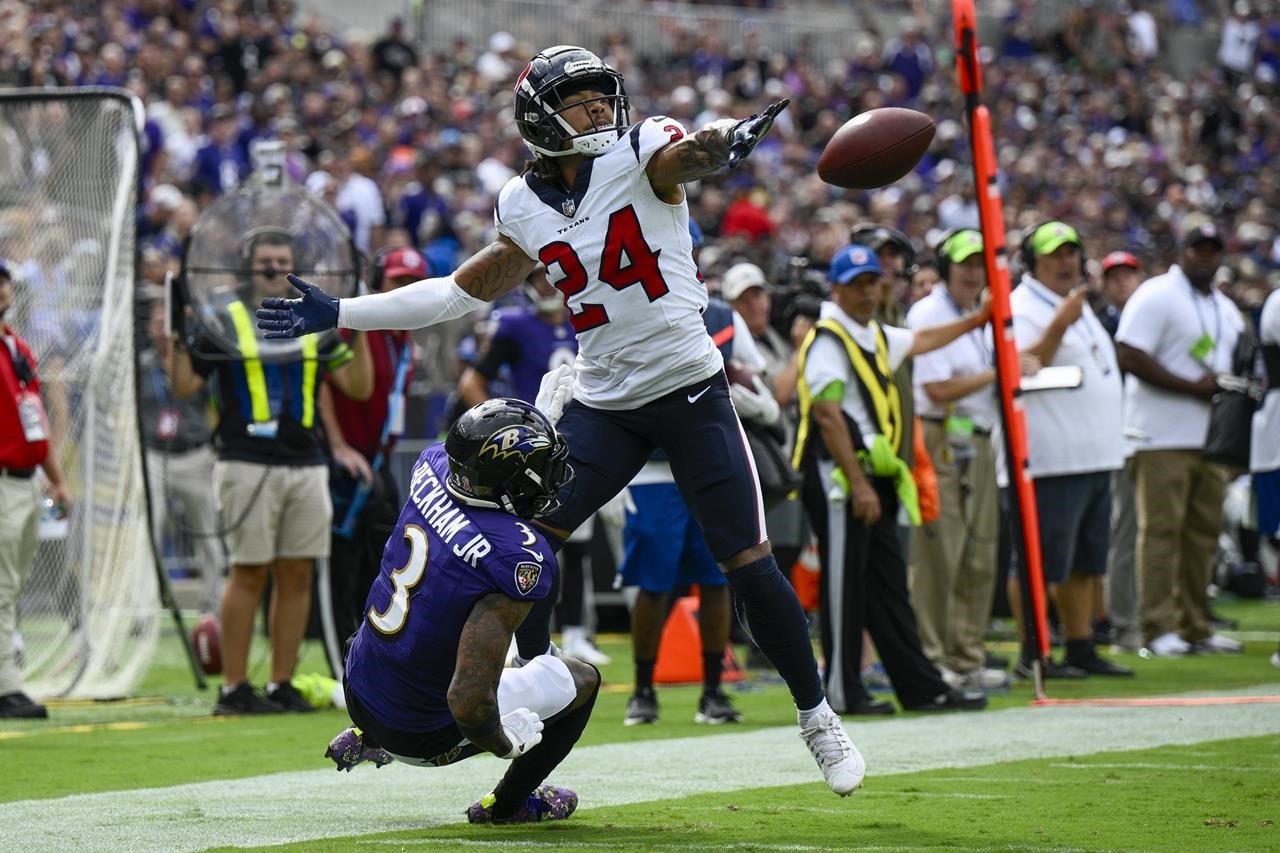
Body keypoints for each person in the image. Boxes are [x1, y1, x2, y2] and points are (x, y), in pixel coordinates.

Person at [257, 45, 864, 796]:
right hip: (605, 399)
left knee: (747, 559)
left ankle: (816, 714)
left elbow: (686, 157)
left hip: (688, 389)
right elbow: (456, 292)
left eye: (600, 97)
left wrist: (717, 144)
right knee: (519, 547)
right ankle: (511, 686)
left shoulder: (642, 151)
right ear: (539, 116)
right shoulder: (521, 203)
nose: (598, 111)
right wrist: (343, 310)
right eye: (578, 101)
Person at [325, 397, 598, 825]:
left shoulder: (432, 464)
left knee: (430, 624)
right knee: (582, 680)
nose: (550, 479)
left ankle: (371, 733)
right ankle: (507, 805)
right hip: (420, 734)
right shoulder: (516, 557)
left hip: (358, 686)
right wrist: (505, 742)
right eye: (541, 468)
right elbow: (468, 702)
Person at [169, 228, 373, 714]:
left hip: (305, 461)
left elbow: (358, 387)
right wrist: (179, 329)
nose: (272, 267)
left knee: (297, 573)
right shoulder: (224, 317)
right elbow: (182, 386)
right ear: (248, 265)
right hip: (246, 461)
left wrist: (359, 319)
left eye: (282, 259)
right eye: (264, 260)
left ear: (293, 266)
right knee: (249, 572)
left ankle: (281, 683)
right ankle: (234, 688)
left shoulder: (316, 322)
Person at [793, 243, 990, 715]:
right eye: (857, 284)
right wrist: (858, 483)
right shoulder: (828, 338)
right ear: (837, 287)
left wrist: (978, 321)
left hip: (871, 474)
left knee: (887, 582)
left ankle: (920, 685)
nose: (867, 292)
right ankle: (842, 690)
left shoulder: (872, 333)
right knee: (845, 587)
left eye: (873, 282)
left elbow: (921, 341)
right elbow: (827, 416)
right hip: (841, 476)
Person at [617, 278, 778, 727]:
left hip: (707, 459)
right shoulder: (627, 299)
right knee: (653, 582)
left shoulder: (723, 316)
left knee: (715, 578)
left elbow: (755, 375)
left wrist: (754, 400)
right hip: (651, 467)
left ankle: (712, 689)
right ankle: (643, 688)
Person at [456, 266, 606, 666]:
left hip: (580, 446)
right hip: (529, 455)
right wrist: (497, 432)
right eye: (539, 278)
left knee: (578, 549)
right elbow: (472, 382)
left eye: (552, 277)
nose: (548, 285)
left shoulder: (586, 321)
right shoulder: (515, 326)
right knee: (530, 545)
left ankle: (574, 633)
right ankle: (522, 640)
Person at [1009, 221, 1133, 678]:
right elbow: (1019, 368)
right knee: (1040, 560)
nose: (1065, 262)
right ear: (1031, 261)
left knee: (1085, 561)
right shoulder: (1024, 307)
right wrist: (1059, 326)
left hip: (1093, 453)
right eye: (1054, 254)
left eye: (1071, 253)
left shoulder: (1073, 303)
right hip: (1050, 457)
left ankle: (1080, 645)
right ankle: (1033, 653)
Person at [1115, 222, 1245, 657]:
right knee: (1161, 533)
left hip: (1211, 437)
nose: (1205, 257)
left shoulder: (1224, 307)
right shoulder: (1155, 295)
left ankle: (1195, 624)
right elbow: (1130, 353)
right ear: (1182, 252)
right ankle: (1157, 627)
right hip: (1159, 435)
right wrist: (1193, 387)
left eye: (1212, 249)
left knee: (1202, 535)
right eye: (1197, 249)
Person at [904, 229, 1008, 692]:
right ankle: (932, 655)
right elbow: (935, 389)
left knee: (979, 551)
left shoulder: (977, 315)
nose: (973, 271)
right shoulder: (930, 312)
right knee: (940, 551)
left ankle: (966, 656)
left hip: (976, 436)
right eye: (964, 262)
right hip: (941, 433)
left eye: (979, 263)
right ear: (946, 267)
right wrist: (999, 371)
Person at [318, 247, 423, 655]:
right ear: (378, 283)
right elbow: (324, 377)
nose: (407, 291)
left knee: (382, 565)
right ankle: (339, 660)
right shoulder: (357, 329)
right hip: (346, 462)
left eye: (415, 284)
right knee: (344, 569)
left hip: (375, 462)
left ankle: (372, 655)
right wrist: (338, 445)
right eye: (399, 282)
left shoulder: (404, 340)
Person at [0, 259, 70, 719]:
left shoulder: (15, 345)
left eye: (3, 282)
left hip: (25, 481)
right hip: (3, 479)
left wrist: (57, 476)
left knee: (12, 585)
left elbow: (33, 417)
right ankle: (7, 686)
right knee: (2, 587)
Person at [140, 297, 225, 615]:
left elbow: (214, 407)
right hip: (154, 455)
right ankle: (145, 605)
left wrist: (217, 450)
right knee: (148, 530)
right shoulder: (142, 366)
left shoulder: (195, 364)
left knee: (207, 532)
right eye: (156, 323)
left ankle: (213, 604)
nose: (161, 330)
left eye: (167, 323)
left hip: (194, 453)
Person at [1096, 250, 1144, 651]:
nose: (1122, 283)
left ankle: (1141, 613)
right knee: (1122, 531)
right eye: (1115, 277)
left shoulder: (1143, 318)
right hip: (1114, 436)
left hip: (1144, 433)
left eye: (1128, 275)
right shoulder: (1101, 323)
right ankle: (1121, 620)